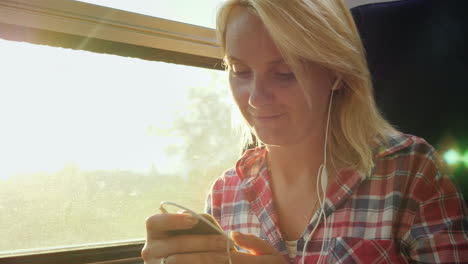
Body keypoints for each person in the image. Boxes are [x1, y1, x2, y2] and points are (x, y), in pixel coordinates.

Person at [142, 0, 468, 263]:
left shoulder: (411, 171)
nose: (255, 98)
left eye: (284, 73)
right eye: (240, 71)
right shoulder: (226, 194)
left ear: (337, 73)